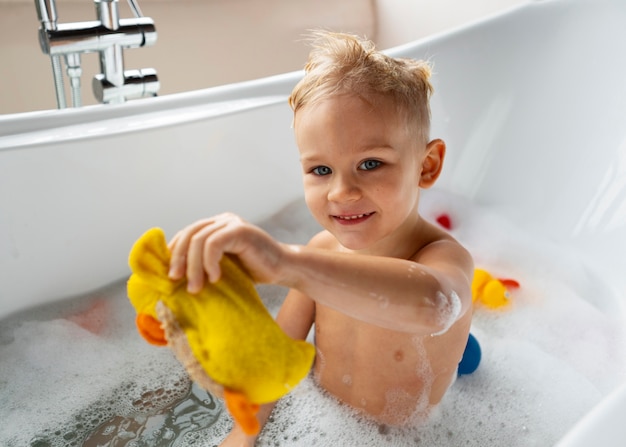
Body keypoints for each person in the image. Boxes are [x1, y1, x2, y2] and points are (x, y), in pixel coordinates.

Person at [167, 31, 474, 446]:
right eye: (321, 170)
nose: (341, 192)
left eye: (370, 163)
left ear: (427, 165)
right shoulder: (320, 253)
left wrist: (285, 264)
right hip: (322, 421)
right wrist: (243, 434)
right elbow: (275, 357)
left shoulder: (442, 257)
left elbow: (435, 306)